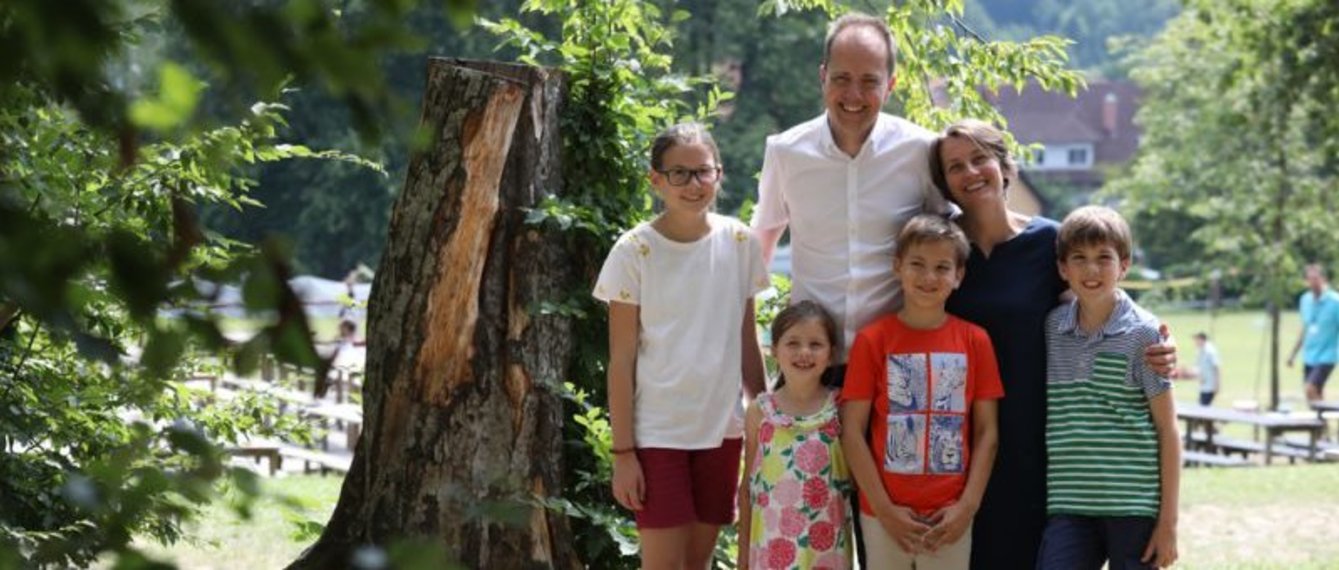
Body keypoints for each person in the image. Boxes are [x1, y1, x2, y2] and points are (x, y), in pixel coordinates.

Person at [928, 119, 1178, 570]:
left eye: (980, 158)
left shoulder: (1049, 242)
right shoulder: (941, 248)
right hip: (959, 444)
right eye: (955, 166)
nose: (970, 172)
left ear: (1006, 167)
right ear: (943, 182)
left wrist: (1160, 337)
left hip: (1041, 448)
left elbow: (1100, 295)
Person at [593, 122, 769, 569]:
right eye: (679, 174)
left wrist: (768, 427)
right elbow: (621, 361)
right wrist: (623, 454)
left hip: (722, 432)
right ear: (656, 180)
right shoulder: (634, 251)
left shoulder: (740, 243)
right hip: (657, 436)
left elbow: (747, 343)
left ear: (719, 174)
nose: (693, 184)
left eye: (703, 172)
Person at [841, 214, 1002, 569]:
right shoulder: (873, 340)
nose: (929, 277)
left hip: (951, 516)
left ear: (958, 276)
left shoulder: (975, 341)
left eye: (942, 267)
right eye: (917, 264)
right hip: (884, 513)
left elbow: (987, 432)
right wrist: (884, 509)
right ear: (898, 267)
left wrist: (967, 507)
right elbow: (852, 430)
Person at [1037, 205, 1180, 569]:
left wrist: (1168, 523)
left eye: (1104, 258)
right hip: (1070, 505)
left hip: (1133, 506)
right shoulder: (1053, 328)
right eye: (1079, 259)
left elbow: (1168, 430)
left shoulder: (1145, 335)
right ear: (1062, 268)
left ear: (1125, 265)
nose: (1091, 269)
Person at [739, 301, 852, 569]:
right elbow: (748, 489)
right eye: (793, 343)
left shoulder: (840, 409)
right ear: (774, 350)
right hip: (769, 549)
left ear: (831, 354)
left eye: (815, 344)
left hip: (826, 552)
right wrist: (743, 555)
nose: (804, 352)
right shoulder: (759, 412)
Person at [1286, 263, 1339, 402]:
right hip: (1310, 355)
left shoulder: (1335, 301)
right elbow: (1305, 328)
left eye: (1316, 278)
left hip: (1328, 355)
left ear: (1323, 279)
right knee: (1315, 394)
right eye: (1310, 279)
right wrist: (1293, 354)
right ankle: (1322, 422)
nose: (1313, 282)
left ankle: (1322, 420)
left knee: (1310, 388)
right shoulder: (1305, 300)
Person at [1192, 332, 1221, 406]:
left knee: (1204, 408)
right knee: (1201, 406)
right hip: (1203, 386)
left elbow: (1216, 368)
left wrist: (1217, 385)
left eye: (1196, 340)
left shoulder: (1210, 351)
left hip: (1210, 386)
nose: (1195, 342)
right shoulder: (1200, 351)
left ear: (1202, 339)